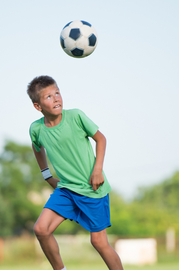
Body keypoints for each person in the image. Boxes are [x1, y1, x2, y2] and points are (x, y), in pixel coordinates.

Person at [27, 75, 124, 270]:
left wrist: (98, 170)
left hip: (92, 188)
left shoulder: (76, 116)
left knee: (98, 242)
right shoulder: (36, 128)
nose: (56, 99)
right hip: (66, 190)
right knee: (41, 229)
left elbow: (101, 139)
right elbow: (37, 147)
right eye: (48, 97)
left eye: (57, 93)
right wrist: (46, 175)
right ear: (38, 106)